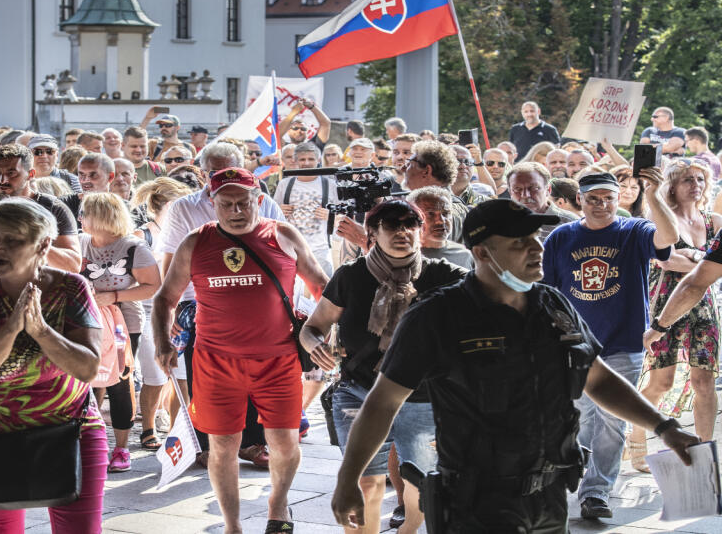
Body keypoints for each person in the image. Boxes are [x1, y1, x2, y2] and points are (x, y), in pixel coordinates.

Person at [331, 199, 699, 533]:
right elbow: (381, 404)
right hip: (479, 503)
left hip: (551, 496)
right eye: (519, 242)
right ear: (482, 252)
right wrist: (348, 480)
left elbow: (597, 377)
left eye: (536, 238)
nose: (537, 248)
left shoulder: (552, 305)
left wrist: (663, 426)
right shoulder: (437, 316)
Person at [153, 168, 328, 534]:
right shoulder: (195, 242)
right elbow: (164, 299)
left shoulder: (282, 234)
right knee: (222, 445)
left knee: (284, 440)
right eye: (227, 204)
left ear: (259, 200)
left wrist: (323, 332)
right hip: (215, 362)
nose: (236, 210)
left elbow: (322, 287)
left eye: (244, 203)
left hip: (277, 359)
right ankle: (232, 525)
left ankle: (277, 506)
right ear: (212, 203)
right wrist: (162, 342)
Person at [302, 200, 466, 534]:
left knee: (422, 482)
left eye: (410, 225)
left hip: (420, 395)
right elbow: (312, 327)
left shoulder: (443, 275)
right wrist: (314, 345)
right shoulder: (351, 275)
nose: (403, 232)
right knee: (367, 482)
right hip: (357, 391)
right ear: (373, 233)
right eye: (392, 225)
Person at [0, 198, 105, 533]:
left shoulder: (72, 288)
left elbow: (88, 369)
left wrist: (41, 331)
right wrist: (10, 329)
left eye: (12, 240)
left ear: (43, 244)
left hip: (72, 427)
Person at [542, 169, 679, 519]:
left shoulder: (633, 230)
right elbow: (548, 292)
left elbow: (669, 237)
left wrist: (653, 194)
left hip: (622, 341)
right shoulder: (561, 237)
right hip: (573, 342)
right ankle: (571, 480)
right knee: (579, 416)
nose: (602, 205)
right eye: (593, 199)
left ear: (619, 199)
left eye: (608, 198)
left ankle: (595, 491)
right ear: (579, 201)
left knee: (611, 418)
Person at [158, 143, 287, 469]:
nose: (226, 177)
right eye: (216, 172)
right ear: (203, 173)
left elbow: (285, 253)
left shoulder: (264, 202)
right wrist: (172, 309)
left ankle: (254, 443)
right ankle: (204, 444)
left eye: (232, 169)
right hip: (199, 302)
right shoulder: (183, 208)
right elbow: (170, 261)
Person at [630, 160, 721, 465]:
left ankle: (704, 452)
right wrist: (705, 260)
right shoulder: (660, 217)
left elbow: (690, 265)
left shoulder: (714, 221)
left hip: (704, 304)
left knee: (704, 381)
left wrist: (692, 258)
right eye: (686, 180)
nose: (695, 185)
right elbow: (667, 262)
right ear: (672, 185)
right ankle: (637, 439)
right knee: (661, 382)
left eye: (699, 179)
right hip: (665, 302)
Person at [77, 192, 161, 470]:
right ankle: (92, 442)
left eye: (85, 213)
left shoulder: (132, 247)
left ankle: (121, 449)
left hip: (124, 322)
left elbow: (152, 285)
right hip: (86, 321)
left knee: (119, 381)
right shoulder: (80, 242)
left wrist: (112, 296)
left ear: (102, 216)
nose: (80, 218)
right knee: (88, 380)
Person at [131, 177, 194, 450]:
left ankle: (175, 432)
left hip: (179, 313)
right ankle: (147, 428)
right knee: (155, 376)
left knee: (182, 379)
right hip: (148, 311)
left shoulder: (185, 232)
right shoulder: (141, 236)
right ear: (166, 205)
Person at [0, 144, 83, 273]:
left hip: (39, 287)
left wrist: (32, 241)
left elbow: (73, 265)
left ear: (31, 174)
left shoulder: (53, 208)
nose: (2, 180)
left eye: (11, 173)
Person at [273, 142, 338, 275]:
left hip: (321, 249)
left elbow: (343, 216)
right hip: (291, 248)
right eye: (302, 159)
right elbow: (272, 216)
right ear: (295, 161)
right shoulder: (284, 184)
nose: (307, 163)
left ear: (318, 160)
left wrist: (331, 215)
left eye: (311, 159)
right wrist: (280, 211)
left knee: (324, 292)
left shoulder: (330, 184)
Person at [506, 162, 579, 239]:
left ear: (548, 190)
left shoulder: (571, 224)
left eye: (534, 188)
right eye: (517, 189)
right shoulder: (499, 223)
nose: (525, 195)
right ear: (510, 191)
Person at [408, 187, 474, 269]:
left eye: (446, 213)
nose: (440, 221)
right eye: (430, 214)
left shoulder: (465, 256)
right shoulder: (403, 256)